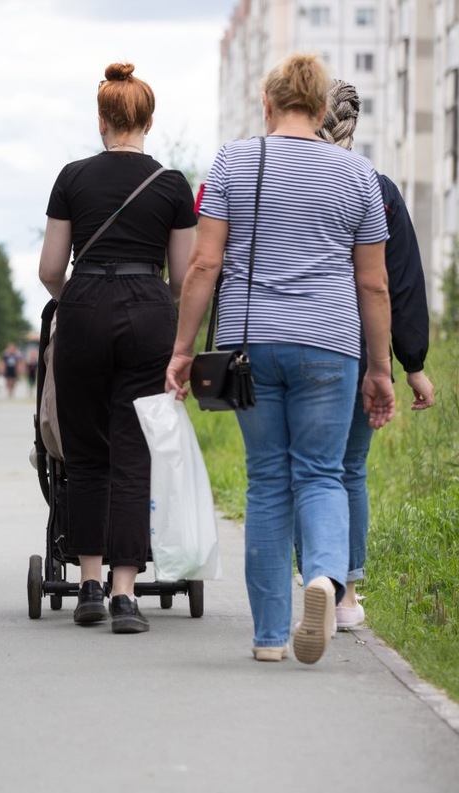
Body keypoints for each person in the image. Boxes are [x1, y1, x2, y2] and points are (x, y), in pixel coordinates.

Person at [164, 54, 397, 665]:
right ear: (323, 110)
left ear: (266, 104)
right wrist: (379, 369)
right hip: (332, 344)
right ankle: (324, 578)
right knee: (322, 474)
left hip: (252, 345)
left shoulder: (236, 160)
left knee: (268, 480)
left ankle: (269, 638)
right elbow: (373, 284)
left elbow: (204, 265)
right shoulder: (358, 176)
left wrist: (183, 349)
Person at [38, 62, 197, 634]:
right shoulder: (173, 185)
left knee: (85, 453)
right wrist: (150, 298)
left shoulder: (72, 177)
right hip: (148, 310)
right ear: (149, 121)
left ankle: (87, 584)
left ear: (102, 120)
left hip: (82, 307)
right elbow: (183, 278)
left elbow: (50, 268)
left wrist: (79, 297)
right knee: (135, 453)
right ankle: (126, 595)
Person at [294, 79, 435, 629]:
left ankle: (314, 580)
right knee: (347, 469)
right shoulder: (377, 188)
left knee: (298, 469)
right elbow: (398, 284)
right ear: (354, 124)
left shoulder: (283, 178)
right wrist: (413, 363)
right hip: (358, 348)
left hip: (294, 339)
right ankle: (346, 595)